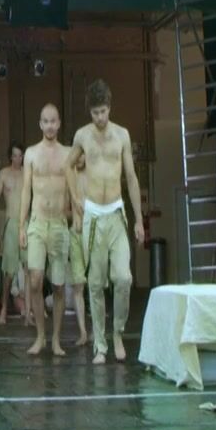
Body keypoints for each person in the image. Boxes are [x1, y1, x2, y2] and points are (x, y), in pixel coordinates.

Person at [66, 79, 143, 365]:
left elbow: (131, 178)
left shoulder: (122, 135)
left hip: (116, 212)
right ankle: (100, 344)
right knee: (96, 283)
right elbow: (68, 165)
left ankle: (118, 333)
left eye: (103, 111)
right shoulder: (82, 135)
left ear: (110, 107)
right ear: (90, 111)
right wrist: (76, 198)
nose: (100, 117)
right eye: (95, 112)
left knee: (123, 277)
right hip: (93, 214)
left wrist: (139, 220)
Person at [18, 104, 75, 357]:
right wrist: (21, 225)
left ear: (59, 123)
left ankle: (56, 339)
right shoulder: (31, 154)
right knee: (35, 279)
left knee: (59, 285)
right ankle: (40, 336)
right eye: (45, 121)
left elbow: (75, 189)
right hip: (37, 222)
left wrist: (78, 218)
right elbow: (25, 191)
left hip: (59, 223)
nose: (50, 126)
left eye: (53, 121)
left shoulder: (68, 154)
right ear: (40, 124)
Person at [0, 143, 25, 324]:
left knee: (30, 268)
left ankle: (31, 309)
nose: (18, 159)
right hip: (11, 222)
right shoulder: (4, 174)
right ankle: (3, 308)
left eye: (20, 155)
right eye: (15, 155)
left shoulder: (27, 173)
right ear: (11, 156)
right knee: (9, 271)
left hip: (26, 223)